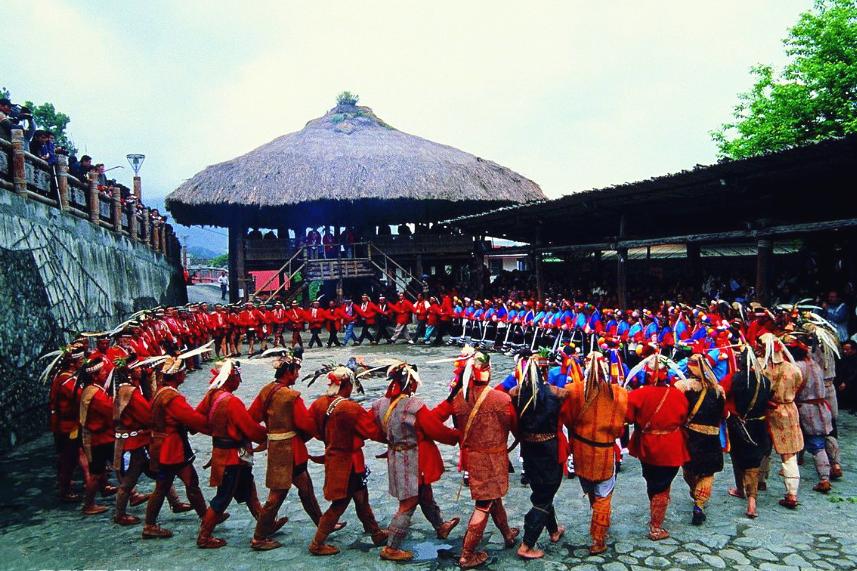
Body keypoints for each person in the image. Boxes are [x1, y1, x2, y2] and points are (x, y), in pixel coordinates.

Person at [248, 351, 344, 550]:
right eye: (296, 371)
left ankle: (323, 524)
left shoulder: (266, 391)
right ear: (289, 372)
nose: (298, 375)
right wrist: (324, 435)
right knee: (277, 495)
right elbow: (306, 424)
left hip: (276, 449)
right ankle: (258, 537)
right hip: (291, 451)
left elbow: (252, 417)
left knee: (305, 488)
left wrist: (267, 435)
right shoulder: (292, 396)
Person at [435, 349, 519, 569]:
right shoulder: (502, 398)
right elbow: (516, 428)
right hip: (493, 458)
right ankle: (467, 554)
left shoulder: (457, 400)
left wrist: (457, 437)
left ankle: (508, 535)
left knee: (492, 498)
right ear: (487, 372)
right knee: (484, 504)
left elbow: (436, 418)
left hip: (472, 457)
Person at [370, 363, 461, 561]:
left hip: (397, 456)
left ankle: (440, 526)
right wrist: (458, 436)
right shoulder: (413, 406)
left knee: (424, 493)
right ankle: (391, 548)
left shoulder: (379, 405)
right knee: (408, 503)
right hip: (412, 460)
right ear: (410, 383)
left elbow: (375, 430)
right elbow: (434, 428)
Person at [307, 366, 388, 555]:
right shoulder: (351, 408)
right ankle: (317, 543)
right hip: (349, 463)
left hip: (333, 457)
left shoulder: (319, 403)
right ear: (347, 384)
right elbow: (371, 431)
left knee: (361, 498)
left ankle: (375, 532)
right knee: (340, 504)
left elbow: (312, 427)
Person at [194, 360, 268, 548]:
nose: (240, 382)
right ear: (231, 378)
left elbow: (198, 417)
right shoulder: (231, 402)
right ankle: (204, 535)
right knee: (224, 496)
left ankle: (265, 524)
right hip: (232, 456)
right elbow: (249, 428)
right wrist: (267, 437)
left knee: (249, 488)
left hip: (223, 451)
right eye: (238, 377)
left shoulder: (212, 395)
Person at [562, 351, 628, 555]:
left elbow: (567, 420)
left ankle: (599, 520)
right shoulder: (619, 394)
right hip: (605, 452)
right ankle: (598, 540)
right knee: (604, 495)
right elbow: (620, 429)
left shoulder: (572, 390)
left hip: (581, 450)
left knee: (592, 489)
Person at [508, 353, 569, 560]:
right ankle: (527, 545)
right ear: (545, 371)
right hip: (549, 449)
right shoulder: (557, 393)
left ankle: (553, 531)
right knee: (544, 496)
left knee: (542, 492)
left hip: (529, 449)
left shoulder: (515, 393)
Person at [142, 357, 210, 540]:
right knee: (179, 483)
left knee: (178, 484)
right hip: (172, 449)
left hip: (165, 446)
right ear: (176, 375)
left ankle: (206, 516)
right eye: (182, 372)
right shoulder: (172, 397)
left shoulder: (162, 392)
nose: (185, 373)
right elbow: (191, 418)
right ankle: (206, 517)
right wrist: (212, 427)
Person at [625, 350, 690, 541]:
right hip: (670, 446)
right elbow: (683, 418)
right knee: (663, 484)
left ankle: (655, 514)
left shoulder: (637, 394)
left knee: (653, 481)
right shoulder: (678, 395)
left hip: (646, 445)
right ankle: (656, 527)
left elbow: (628, 418)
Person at [674, 353, 726, 526]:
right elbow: (723, 414)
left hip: (690, 437)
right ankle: (699, 504)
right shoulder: (719, 391)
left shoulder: (682, 387)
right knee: (707, 473)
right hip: (711, 437)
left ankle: (697, 498)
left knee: (689, 470)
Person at [725, 349, 772, 519]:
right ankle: (751, 500)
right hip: (759, 424)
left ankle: (740, 490)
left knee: (737, 457)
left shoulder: (734, 379)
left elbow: (723, 395)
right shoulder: (765, 381)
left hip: (740, 425)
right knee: (753, 463)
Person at [760, 333, 805, 509]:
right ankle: (792, 494)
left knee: (764, 449)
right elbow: (799, 385)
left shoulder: (761, 368)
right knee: (788, 454)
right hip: (788, 409)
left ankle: (760, 482)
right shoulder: (793, 369)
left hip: (769, 410)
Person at [791, 341, 835, 494]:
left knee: (817, 444)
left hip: (808, 410)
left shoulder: (798, 367)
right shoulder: (815, 364)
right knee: (824, 437)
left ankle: (824, 479)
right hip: (821, 407)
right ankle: (835, 465)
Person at [76, 356, 116, 515]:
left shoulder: (91, 390)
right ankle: (88, 505)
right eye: (103, 372)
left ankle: (132, 493)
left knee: (109, 470)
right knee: (97, 473)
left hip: (101, 438)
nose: (106, 373)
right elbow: (110, 412)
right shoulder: (97, 394)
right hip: (101, 439)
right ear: (94, 376)